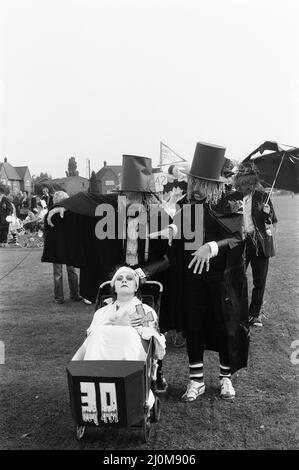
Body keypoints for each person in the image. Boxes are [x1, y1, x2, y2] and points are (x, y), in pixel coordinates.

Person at [42, 155, 171, 392]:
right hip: (117, 277)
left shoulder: (159, 216)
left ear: (144, 195)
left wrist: (144, 272)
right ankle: (102, 367)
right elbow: (85, 198)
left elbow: (169, 256)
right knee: (106, 320)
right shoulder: (113, 205)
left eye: (133, 195)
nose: (128, 199)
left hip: (147, 280)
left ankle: (155, 371)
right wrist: (62, 207)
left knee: (146, 323)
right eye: (125, 194)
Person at [156, 142, 249, 402]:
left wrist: (212, 246)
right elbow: (182, 224)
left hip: (222, 277)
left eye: (200, 183)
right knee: (193, 323)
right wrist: (172, 230)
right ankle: (195, 380)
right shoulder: (187, 201)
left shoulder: (230, 202)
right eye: (193, 181)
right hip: (192, 274)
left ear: (215, 184)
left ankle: (225, 378)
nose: (195, 188)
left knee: (224, 324)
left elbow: (238, 237)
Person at [233, 163, 278, 327]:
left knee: (259, 281)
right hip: (241, 244)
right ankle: (236, 312)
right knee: (236, 278)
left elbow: (271, 221)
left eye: (249, 182)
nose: (246, 185)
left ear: (253, 181)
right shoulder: (234, 197)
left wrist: (268, 213)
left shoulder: (262, 196)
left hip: (260, 243)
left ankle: (254, 315)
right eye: (242, 182)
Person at [50, 191, 82, 304]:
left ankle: (59, 297)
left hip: (58, 245)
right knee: (71, 271)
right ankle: (75, 295)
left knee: (58, 273)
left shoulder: (52, 212)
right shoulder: (70, 212)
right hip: (68, 244)